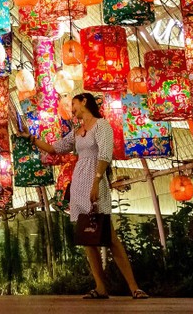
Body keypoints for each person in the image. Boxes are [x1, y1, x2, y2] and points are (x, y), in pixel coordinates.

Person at [26, 93, 148, 300]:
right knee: (87, 238)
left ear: (84, 102)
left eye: (73, 103)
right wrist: (31, 138)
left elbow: (105, 155)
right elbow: (54, 149)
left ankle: (134, 287)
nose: (70, 108)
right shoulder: (77, 132)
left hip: (95, 181)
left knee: (109, 237)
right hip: (79, 184)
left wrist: (97, 181)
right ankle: (100, 287)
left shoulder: (102, 126)